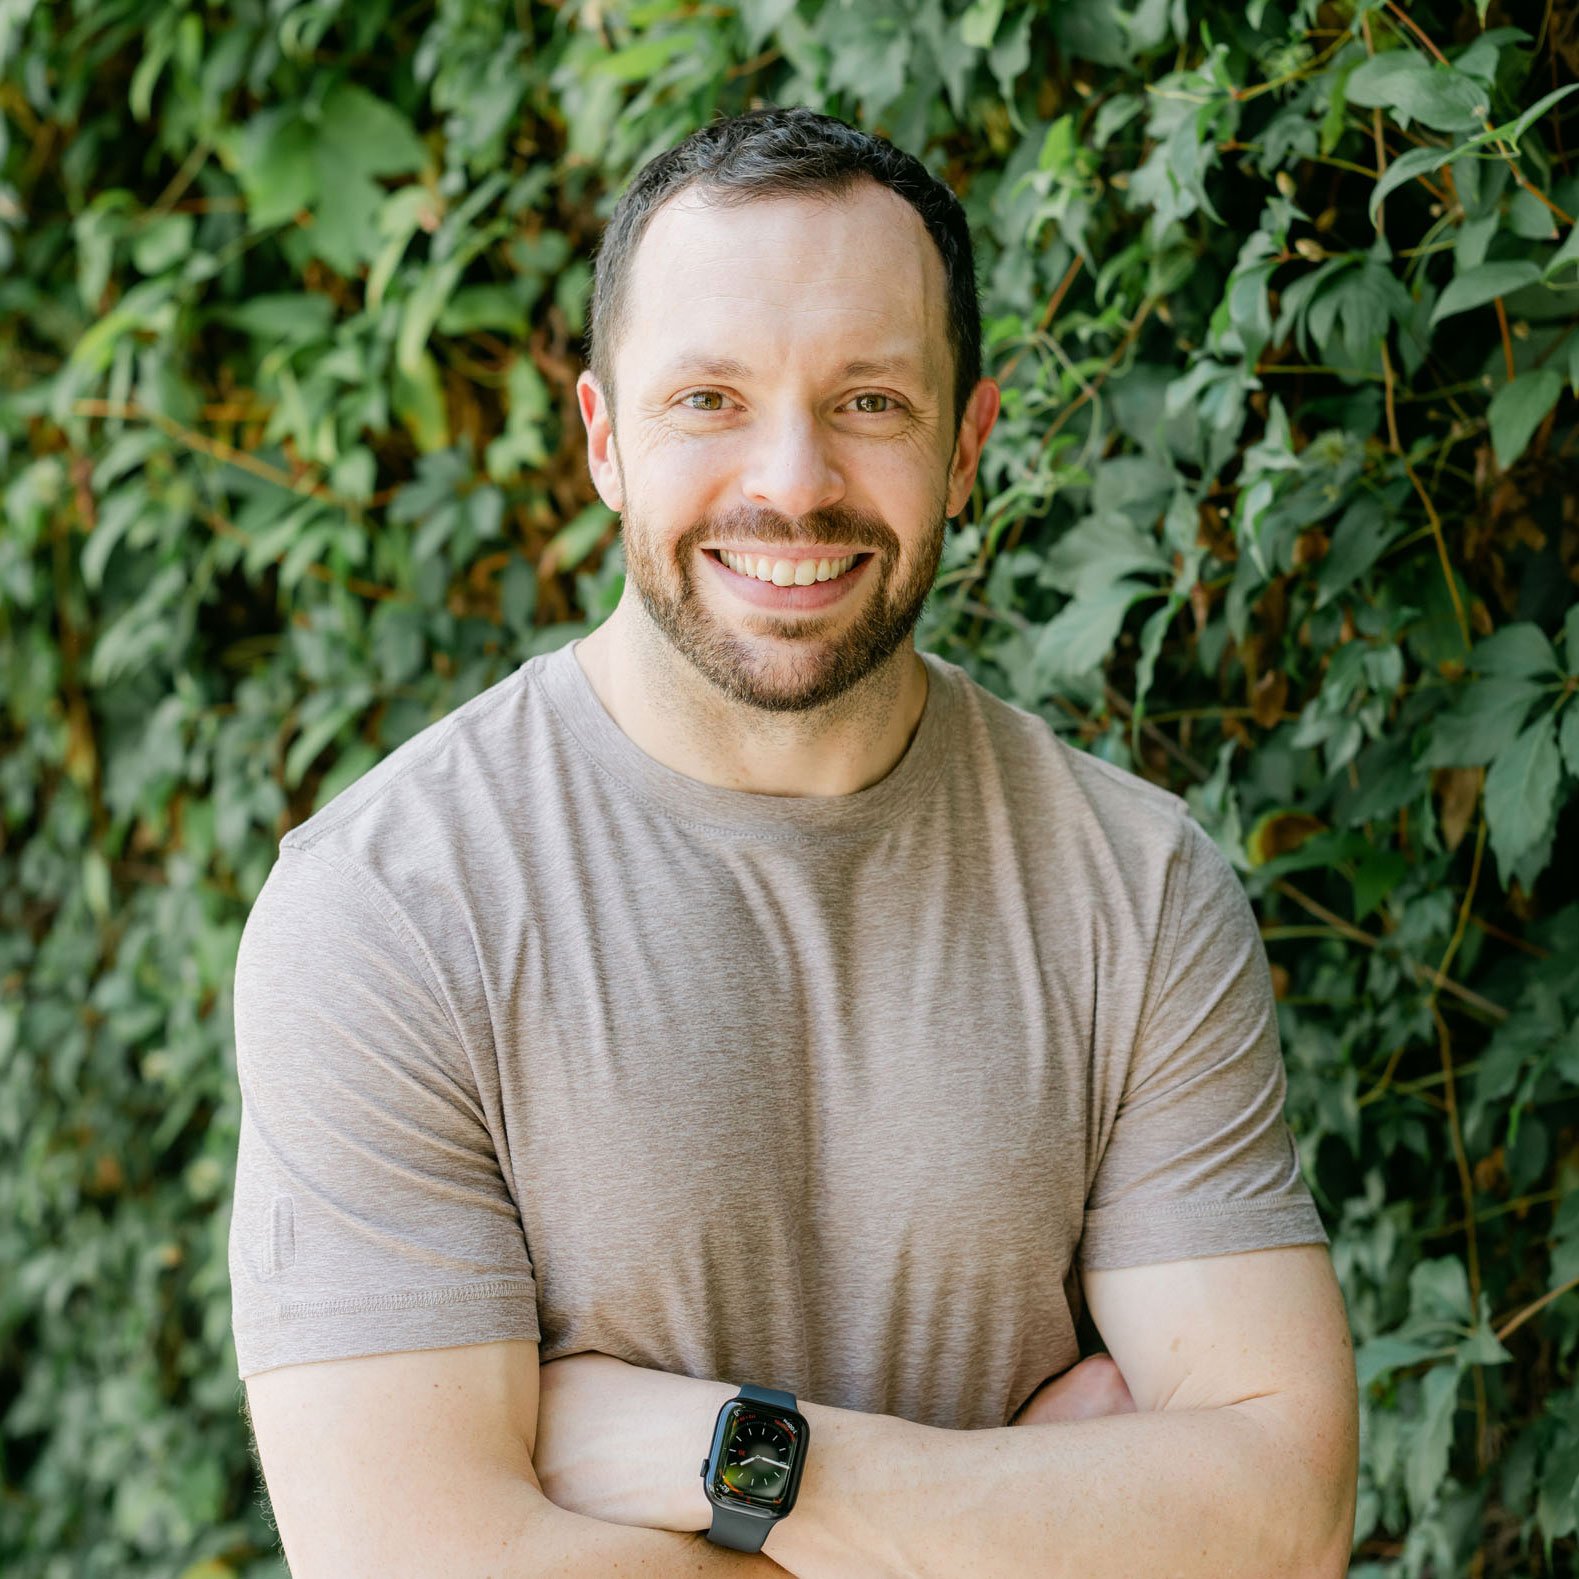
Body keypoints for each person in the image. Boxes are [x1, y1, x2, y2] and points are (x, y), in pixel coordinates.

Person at [230, 105, 1358, 1577]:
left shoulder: (1131, 887)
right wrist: (1045, 1511)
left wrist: (736, 1462)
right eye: (709, 398)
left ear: (967, 445)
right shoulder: (390, 912)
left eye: (870, 402)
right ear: (605, 440)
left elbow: (1280, 1523)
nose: (793, 482)